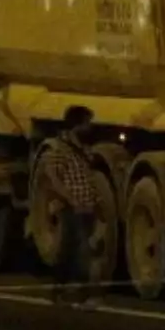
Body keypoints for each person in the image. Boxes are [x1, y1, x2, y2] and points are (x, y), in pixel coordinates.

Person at [42, 105, 103, 308]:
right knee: (78, 250)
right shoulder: (60, 149)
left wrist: (96, 202)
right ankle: (76, 294)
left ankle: (65, 291)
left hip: (87, 206)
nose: (90, 127)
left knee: (75, 248)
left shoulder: (83, 150)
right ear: (77, 125)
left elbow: (88, 178)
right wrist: (70, 199)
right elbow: (53, 177)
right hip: (72, 207)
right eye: (87, 123)